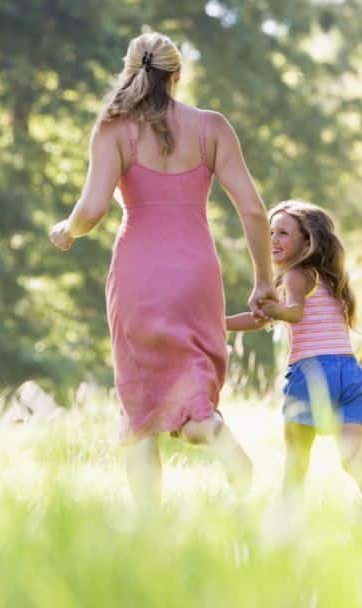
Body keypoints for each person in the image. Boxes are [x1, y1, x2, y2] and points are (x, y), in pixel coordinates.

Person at [50, 32, 275, 506]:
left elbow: (92, 210)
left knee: (139, 409)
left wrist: (68, 230)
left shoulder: (113, 129)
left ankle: (149, 529)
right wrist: (263, 282)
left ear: (130, 70)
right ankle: (208, 426)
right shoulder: (212, 127)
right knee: (191, 380)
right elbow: (254, 211)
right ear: (177, 75)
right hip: (197, 273)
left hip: (139, 274)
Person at [226, 200, 362, 502]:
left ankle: (288, 520)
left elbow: (294, 313)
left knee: (297, 459)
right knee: (353, 461)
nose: (273, 240)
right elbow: (264, 319)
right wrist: (220, 323)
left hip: (314, 372)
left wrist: (276, 309)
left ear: (307, 240)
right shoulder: (333, 279)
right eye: (271, 232)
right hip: (350, 374)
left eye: (283, 233)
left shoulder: (296, 275)